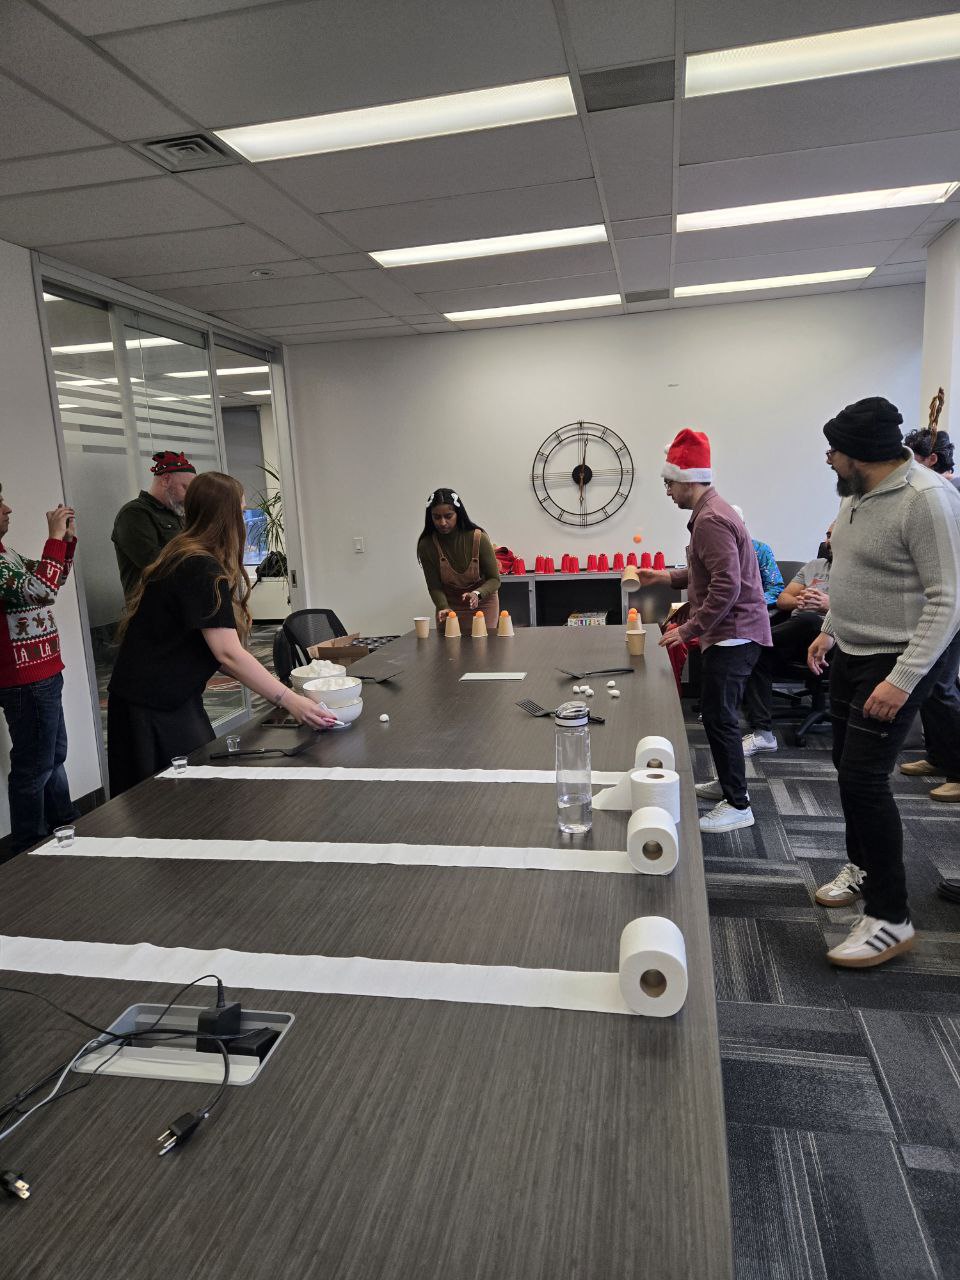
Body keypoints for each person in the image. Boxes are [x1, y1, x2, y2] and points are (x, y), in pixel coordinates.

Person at [808, 397, 960, 967]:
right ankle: (865, 868)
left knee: (865, 780)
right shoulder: (856, 495)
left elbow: (948, 601)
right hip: (850, 650)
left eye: (834, 450)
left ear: (860, 454)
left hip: (896, 658)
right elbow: (849, 573)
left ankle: (891, 919)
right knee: (846, 770)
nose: (828, 458)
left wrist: (903, 679)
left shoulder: (926, 499)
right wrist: (829, 629)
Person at [107, 472, 336, 796]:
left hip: (165, 696)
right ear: (226, 516)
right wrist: (291, 701)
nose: (243, 521)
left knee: (198, 788)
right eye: (240, 512)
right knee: (170, 798)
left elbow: (222, 653)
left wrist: (285, 698)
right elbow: (227, 653)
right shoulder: (199, 566)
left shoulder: (185, 555)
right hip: (150, 703)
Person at [638, 430, 771, 833]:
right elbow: (707, 572)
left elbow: (726, 587)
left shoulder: (711, 519)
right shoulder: (712, 512)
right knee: (716, 716)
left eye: (669, 483)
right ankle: (729, 787)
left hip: (733, 634)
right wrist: (665, 577)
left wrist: (687, 630)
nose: (667, 491)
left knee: (720, 717)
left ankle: (738, 804)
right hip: (730, 631)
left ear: (688, 480)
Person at [0, 486, 80, 853]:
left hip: (42, 673)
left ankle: (64, 827)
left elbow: (52, 579)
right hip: (25, 680)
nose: (8, 508)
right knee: (34, 767)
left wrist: (66, 542)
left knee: (53, 757)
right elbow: (41, 591)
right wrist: (53, 538)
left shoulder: (6, 554)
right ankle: (29, 847)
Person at [740, 523, 834, 755]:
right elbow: (783, 599)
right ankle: (763, 734)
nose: (828, 541)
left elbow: (865, 611)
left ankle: (752, 638)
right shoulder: (814, 566)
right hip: (794, 636)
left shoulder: (859, 572)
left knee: (809, 620)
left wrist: (826, 605)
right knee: (759, 653)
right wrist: (800, 601)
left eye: (834, 535)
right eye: (827, 535)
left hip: (831, 642)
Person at [112, 450, 196, 600]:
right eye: (185, 488)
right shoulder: (134, 513)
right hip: (152, 607)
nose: (189, 496)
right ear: (166, 480)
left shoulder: (178, 514)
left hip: (180, 603)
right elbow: (154, 565)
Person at [416, 488, 501, 630]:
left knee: (482, 642)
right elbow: (434, 586)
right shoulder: (427, 545)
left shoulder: (478, 538)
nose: (443, 522)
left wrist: (477, 594)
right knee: (449, 643)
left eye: (448, 516)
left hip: (483, 604)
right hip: (449, 606)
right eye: (436, 517)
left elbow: (495, 579)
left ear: (458, 514)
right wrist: (443, 606)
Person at [731, 506, 784, 605]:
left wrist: (750, 604)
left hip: (752, 607)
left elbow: (775, 589)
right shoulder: (710, 552)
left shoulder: (760, 550)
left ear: (742, 525)